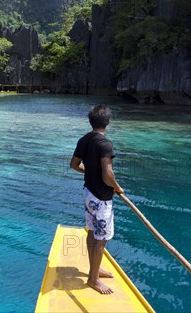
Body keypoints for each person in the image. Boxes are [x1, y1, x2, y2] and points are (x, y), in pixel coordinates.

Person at [70, 104, 124, 295]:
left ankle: (95, 268)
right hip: (101, 198)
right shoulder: (105, 144)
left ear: (91, 121)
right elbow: (108, 174)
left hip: (88, 193)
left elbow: (74, 164)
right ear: (107, 121)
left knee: (92, 232)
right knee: (101, 239)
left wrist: (90, 172)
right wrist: (116, 187)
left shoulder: (84, 139)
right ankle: (93, 279)